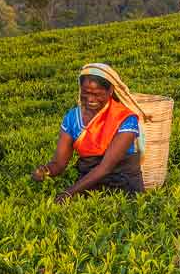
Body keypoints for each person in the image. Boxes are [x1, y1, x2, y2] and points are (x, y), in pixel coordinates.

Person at [32, 62, 146, 202]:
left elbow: (106, 167)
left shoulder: (125, 118)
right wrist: (46, 170)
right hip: (88, 185)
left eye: (97, 94)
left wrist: (69, 193)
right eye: (86, 93)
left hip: (123, 184)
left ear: (110, 91)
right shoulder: (72, 118)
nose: (90, 99)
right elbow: (59, 163)